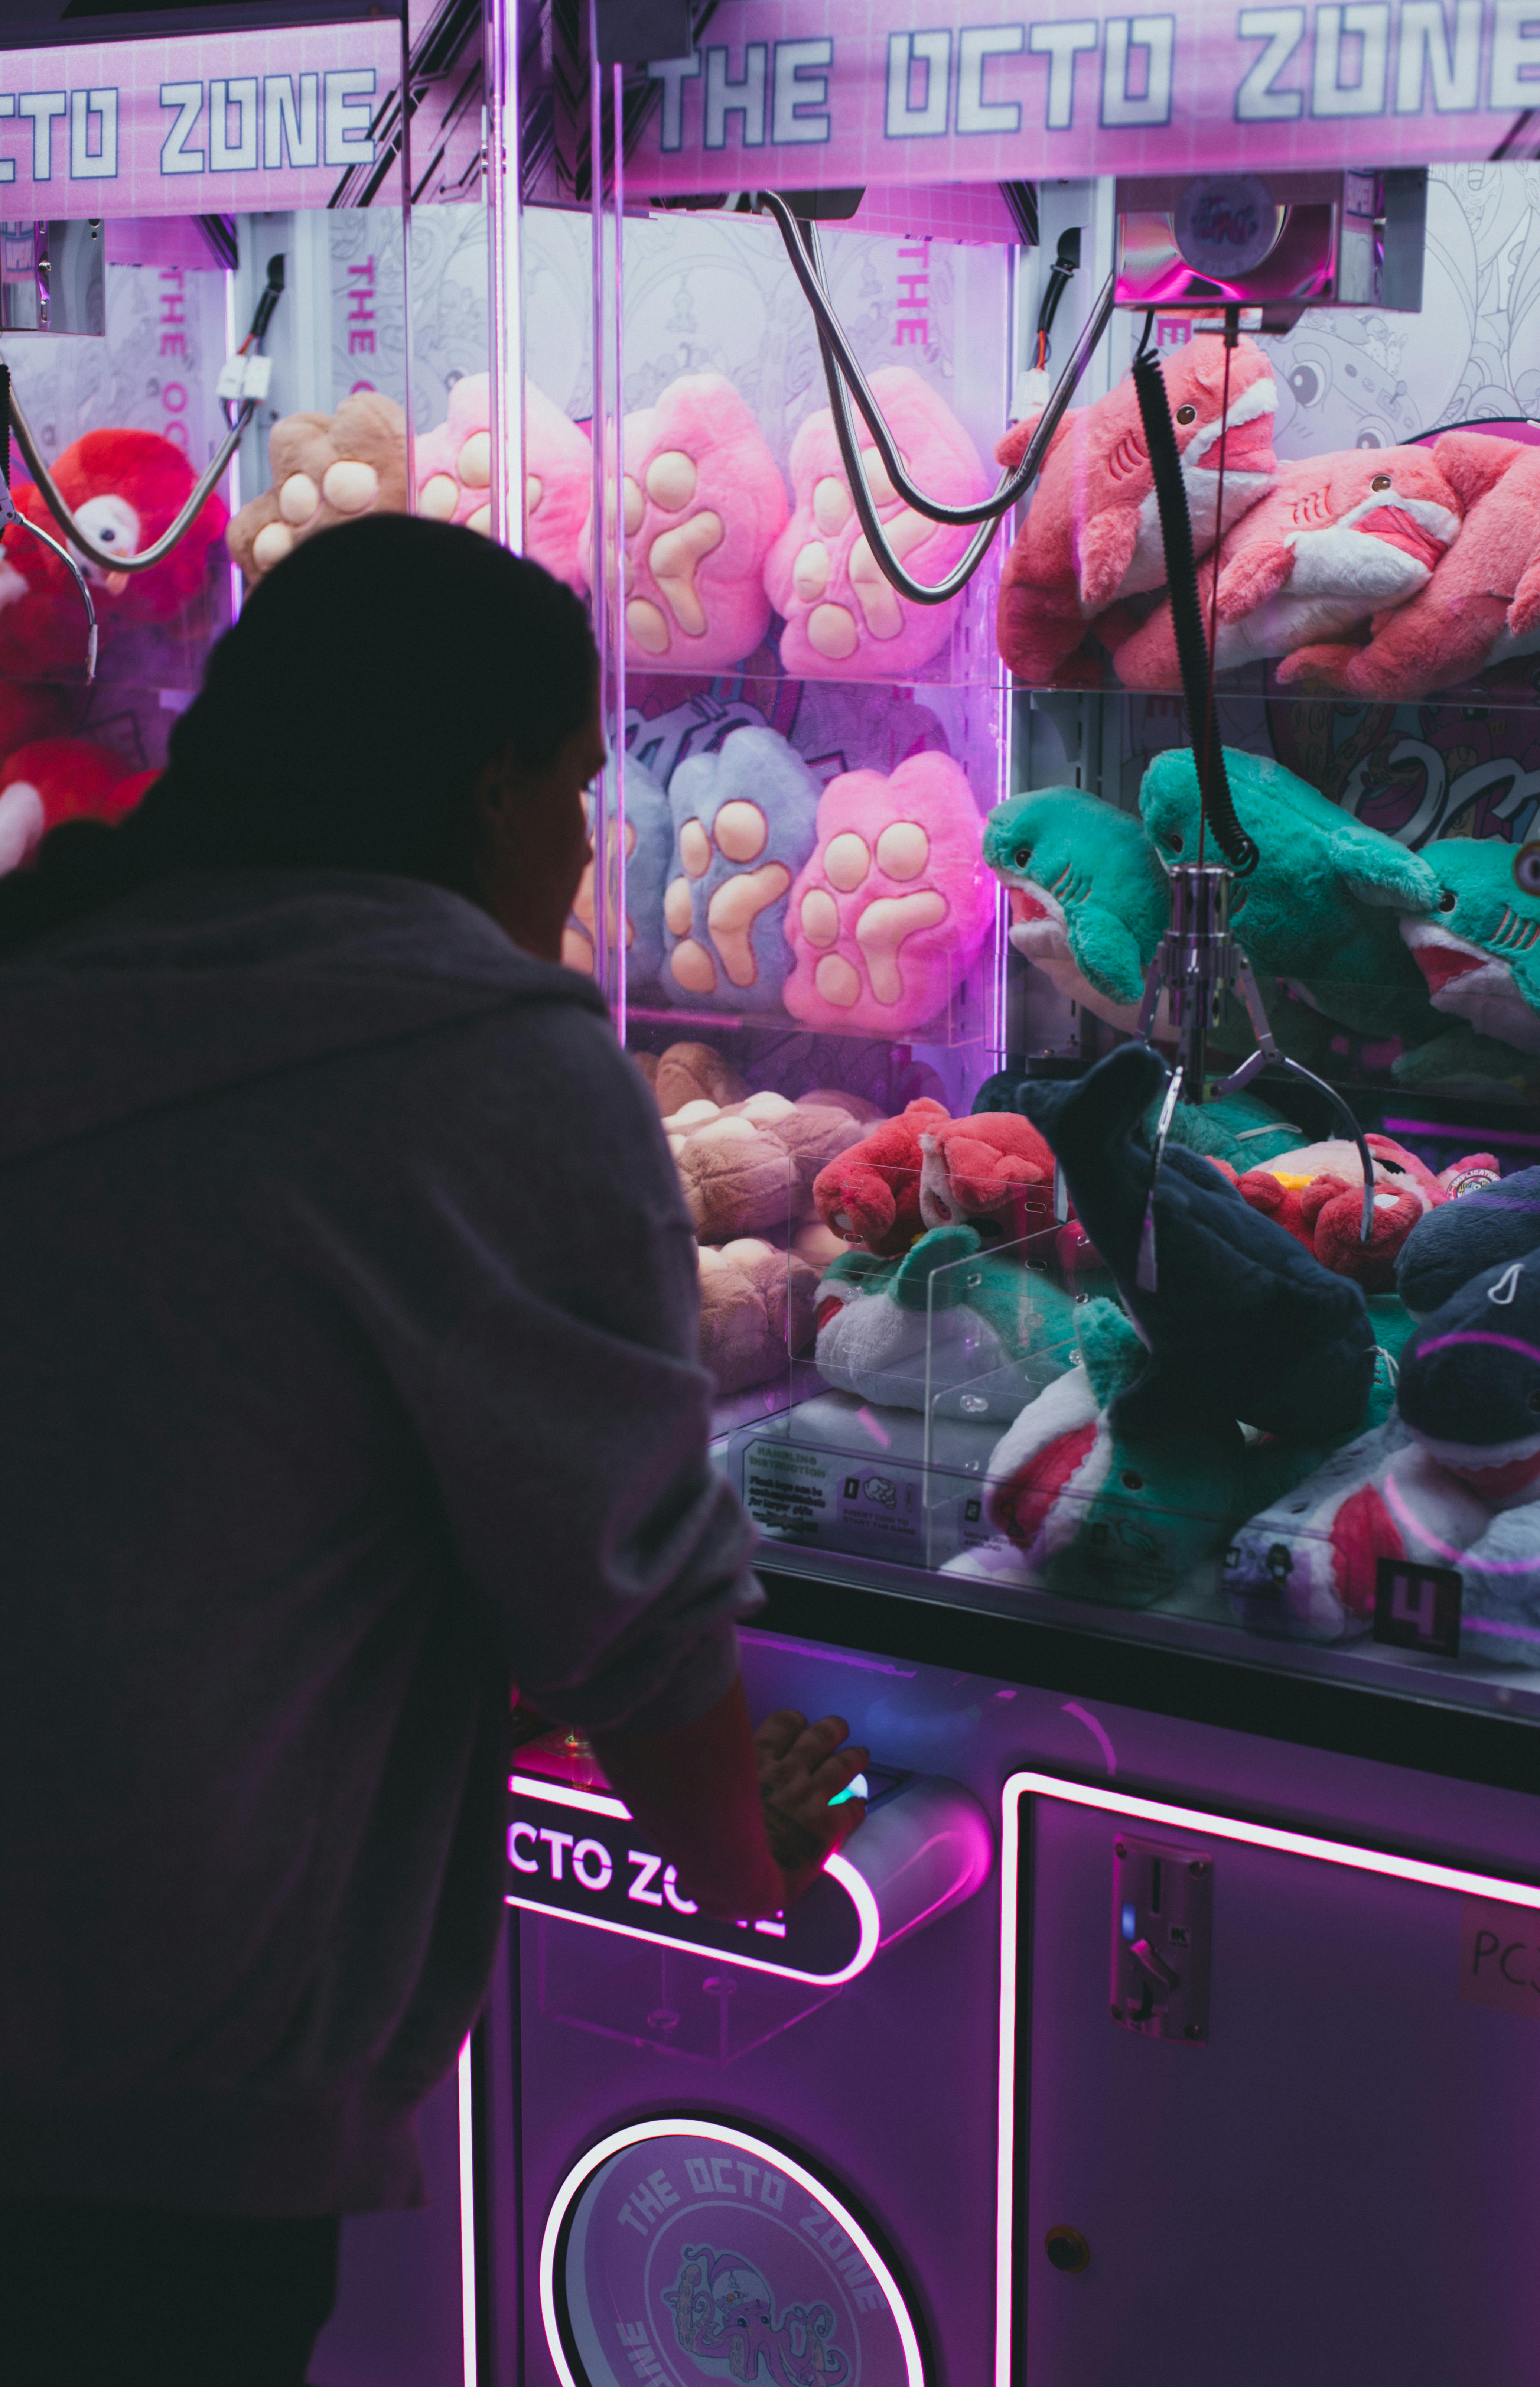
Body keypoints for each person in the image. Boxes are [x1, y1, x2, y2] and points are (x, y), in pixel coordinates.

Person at [0, 515, 866, 2385]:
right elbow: (618, 1597)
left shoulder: (71, 966)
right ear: (488, 791)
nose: (582, 844)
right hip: (169, 2060)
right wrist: (742, 1847)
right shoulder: (482, 1058)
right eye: (573, 787)